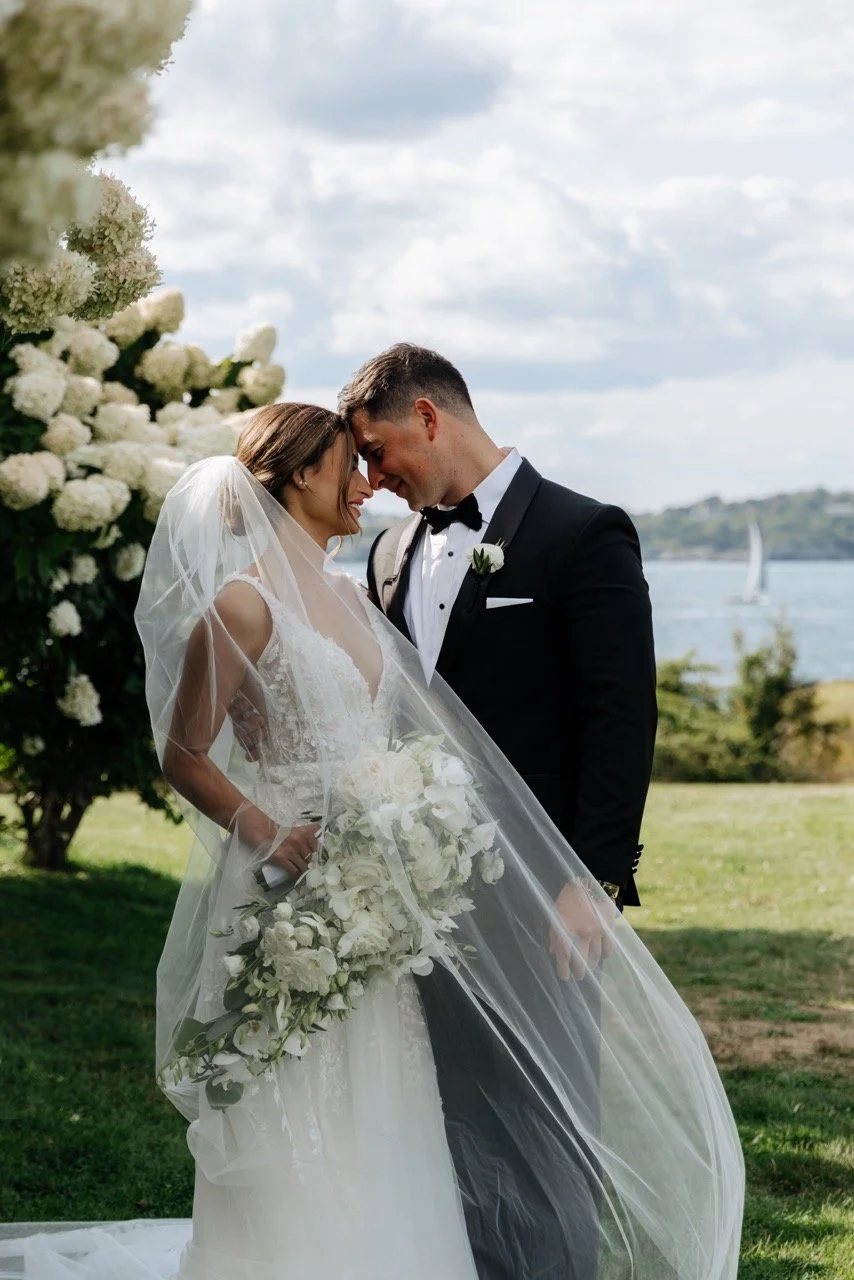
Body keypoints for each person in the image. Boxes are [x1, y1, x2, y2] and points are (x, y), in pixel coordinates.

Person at [0, 402, 743, 1280]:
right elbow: (181, 751)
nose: (370, 483)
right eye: (353, 464)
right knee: (296, 1087)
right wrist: (270, 832)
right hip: (286, 875)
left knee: (392, 1093)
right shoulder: (242, 603)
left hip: (385, 882)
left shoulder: (359, 589)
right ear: (304, 475)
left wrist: (424, 820)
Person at [340, 343, 657, 1278]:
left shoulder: (582, 531)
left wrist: (592, 880)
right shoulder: (391, 551)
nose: (373, 478)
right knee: (441, 1118)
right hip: (417, 893)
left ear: (430, 417)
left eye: (378, 449)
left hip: (539, 894)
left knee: (544, 1124)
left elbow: (621, 712)